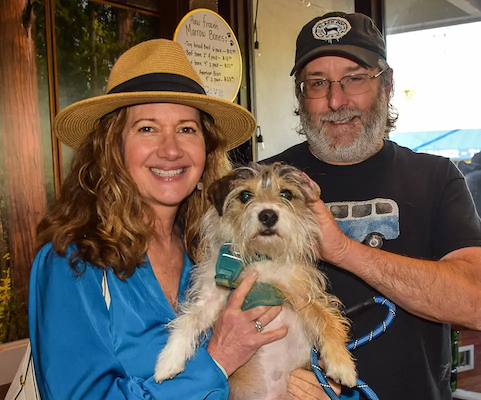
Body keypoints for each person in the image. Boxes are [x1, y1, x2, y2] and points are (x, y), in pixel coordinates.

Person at [28, 39, 335, 400]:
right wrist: (218, 359)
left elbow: (281, 350)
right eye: (147, 128)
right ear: (112, 146)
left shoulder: (209, 251)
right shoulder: (73, 262)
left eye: (187, 129)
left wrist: (313, 381)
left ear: (206, 146)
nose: (171, 149)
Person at [263, 11, 481, 400]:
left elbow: (479, 306)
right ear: (300, 95)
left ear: (387, 84)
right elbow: (224, 301)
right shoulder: (262, 186)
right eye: (317, 83)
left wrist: (343, 250)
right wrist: (273, 375)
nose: (336, 100)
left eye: (355, 78)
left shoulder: (435, 177)